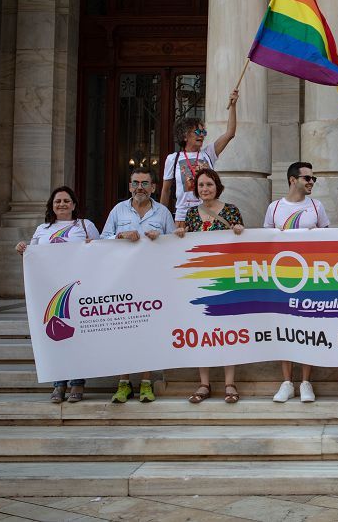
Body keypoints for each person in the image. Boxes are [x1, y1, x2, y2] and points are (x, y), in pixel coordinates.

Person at [15, 186, 99, 403]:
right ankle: (58, 384)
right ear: (51, 206)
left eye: (66, 201)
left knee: (77, 337)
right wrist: (23, 248)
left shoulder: (85, 225)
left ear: (73, 204)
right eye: (57, 201)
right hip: (49, 291)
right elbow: (33, 256)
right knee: (55, 338)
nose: (62, 204)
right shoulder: (42, 229)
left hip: (78, 291)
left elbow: (101, 252)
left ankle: (77, 384)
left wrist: (93, 247)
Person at [102, 167, 177, 404]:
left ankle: (146, 382)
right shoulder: (118, 210)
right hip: (124, 281)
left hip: (153, 281)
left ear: (154, 188)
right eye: (135, 183)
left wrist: (160, 239)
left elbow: (175, 244)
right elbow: (102, 239)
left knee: (148, 331)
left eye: (145, 183)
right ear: (129, 186)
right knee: (124, 331)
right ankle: (124, 383)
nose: (140, 188)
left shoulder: (163, 212)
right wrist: (120, 237)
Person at [172, 168, 245, 403]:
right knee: (201, 331)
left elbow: (242, 243)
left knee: (227, 331)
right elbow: (183, 246)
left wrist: (238, 232)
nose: (205, 189)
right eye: (201, 185)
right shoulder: (192, 214)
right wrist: (180, 234)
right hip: (198, 280)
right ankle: (204, 383)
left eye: (209, 185)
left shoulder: (232, 211)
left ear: (217, 186)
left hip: (224, 279)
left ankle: (230, 383)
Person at [263, 161, 331, 403]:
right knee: (285, 327)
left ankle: (305, 382)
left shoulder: (316, 205)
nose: (311, 182)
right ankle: (286, 382)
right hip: (282, 277)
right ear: (293, 179)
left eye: (313, 179)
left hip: (311, 276)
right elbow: (265, 241)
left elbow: (328, 238)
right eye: (307, 178)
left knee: (308, 327)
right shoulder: (274, 207)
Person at [160, 90, 238, 225]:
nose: (201, 135)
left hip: (207, 214)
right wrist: (160, 218)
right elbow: (166, 190)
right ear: (184, 136)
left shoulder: (208, 154)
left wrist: (233, 106)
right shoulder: (173, 158)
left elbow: (230, 133)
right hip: (182, 217)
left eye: (203, 131)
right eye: (197, 131)